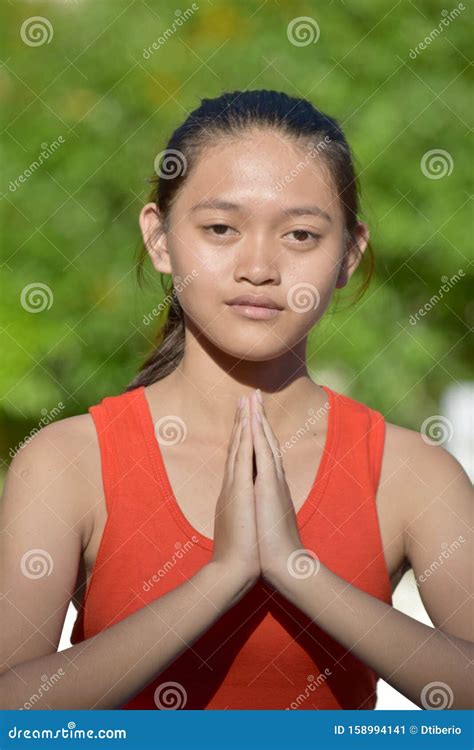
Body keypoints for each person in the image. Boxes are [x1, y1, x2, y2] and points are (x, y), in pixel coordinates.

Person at [1, 90, 472, 711]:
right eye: (220, 228)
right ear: (161, 239)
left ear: (349, 256)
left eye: (301, 235)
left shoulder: (413, 473)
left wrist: (297, 571)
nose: (259, 267)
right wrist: (220, 579)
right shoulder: (67, 462)